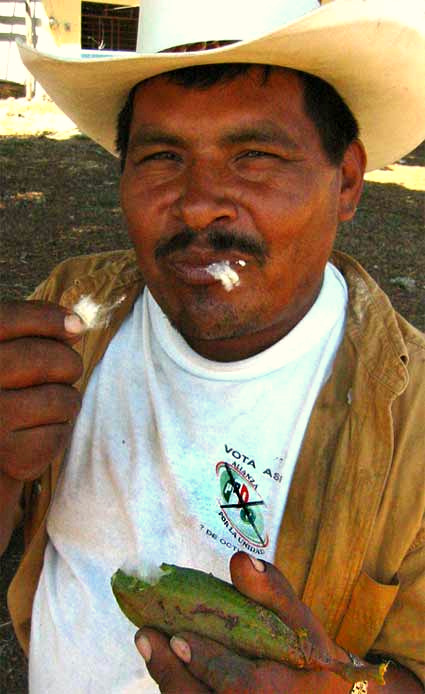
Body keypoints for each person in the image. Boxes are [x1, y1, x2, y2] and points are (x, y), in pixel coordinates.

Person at [1, 0, 425, 691]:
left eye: (254, 157)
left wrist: (341, 687)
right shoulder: (69, 314)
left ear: (346, 180)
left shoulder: (411, 421)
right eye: (163, 157)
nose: (198, 204)